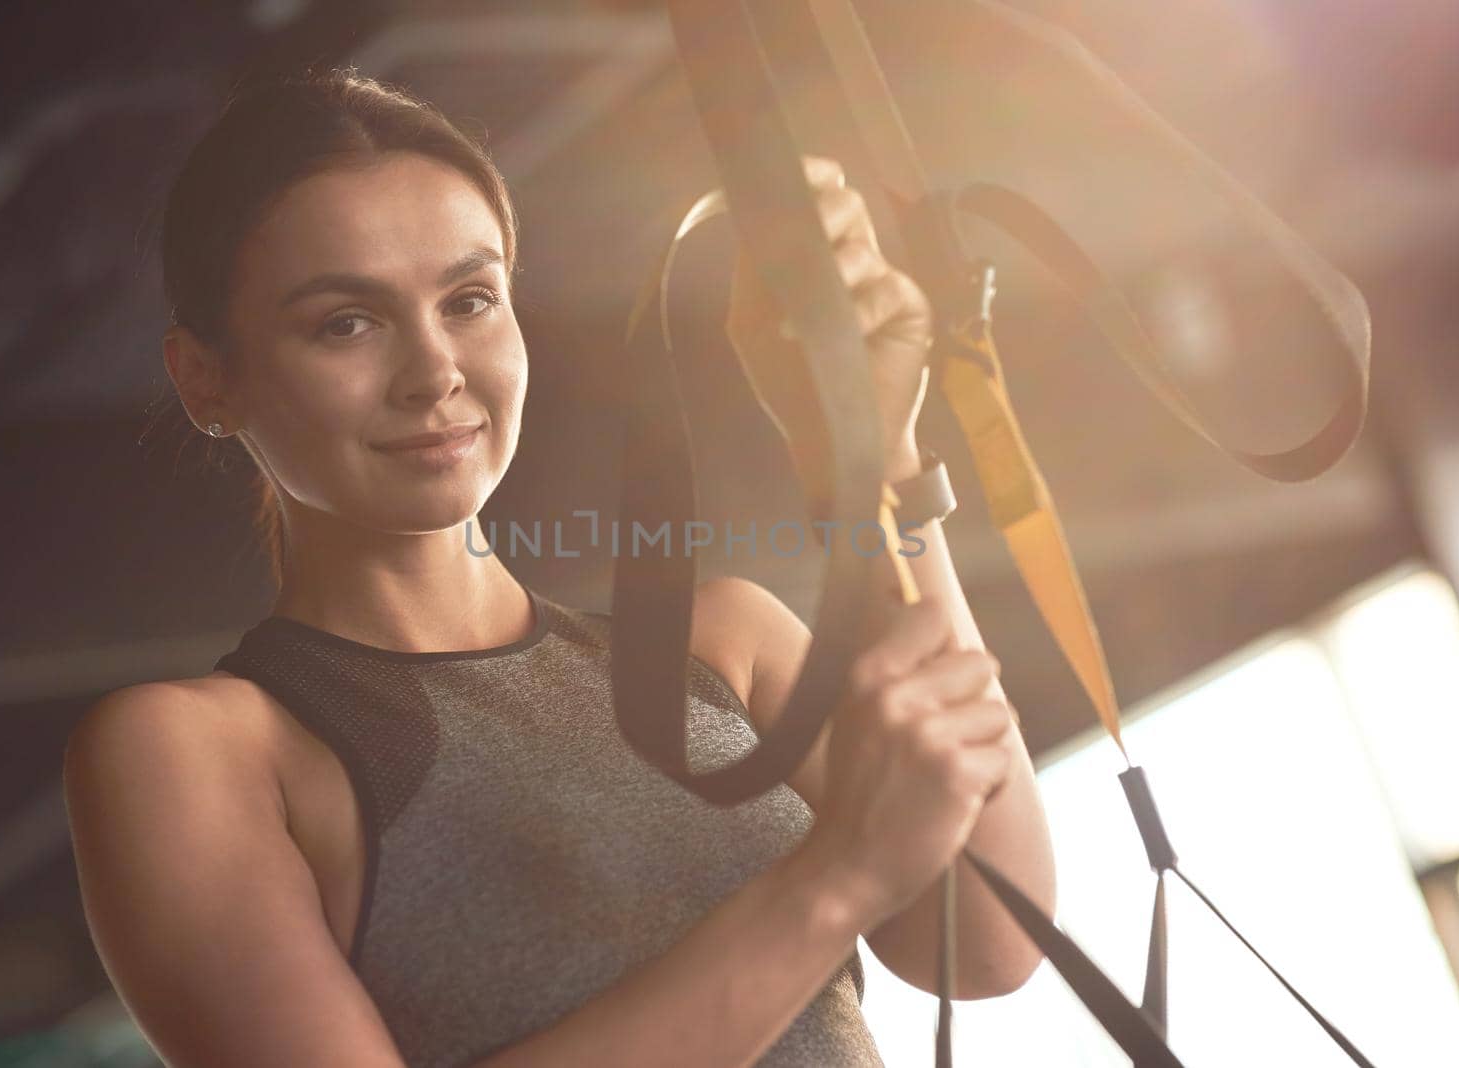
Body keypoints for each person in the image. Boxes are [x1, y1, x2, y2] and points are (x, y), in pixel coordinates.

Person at [62, 67, 1056, 1068]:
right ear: (204, 379)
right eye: (345, 323)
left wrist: (871, 449)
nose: (435, 371)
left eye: (468, 299)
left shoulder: (725, 646)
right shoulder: (195, 753)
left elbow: (984, 937)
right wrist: (833, 879)